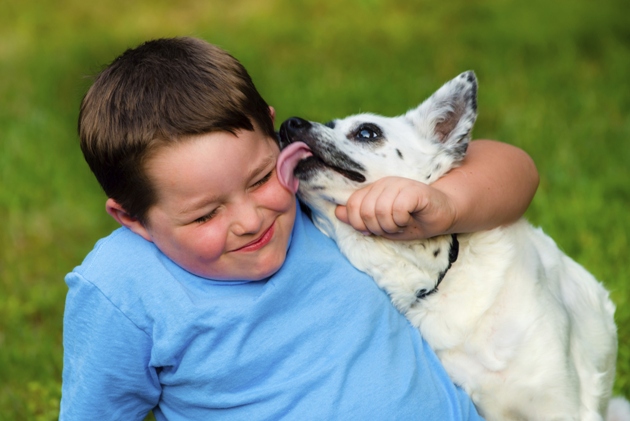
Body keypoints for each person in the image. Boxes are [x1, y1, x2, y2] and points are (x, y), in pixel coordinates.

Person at [61, 37, 538, 420]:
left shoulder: (310, 198)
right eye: (206, 215)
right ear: (132, 218)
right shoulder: (124, 287)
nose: (251, 220)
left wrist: (449, 203)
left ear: (272, 134)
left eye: (261, 177)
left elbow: (516, 170)